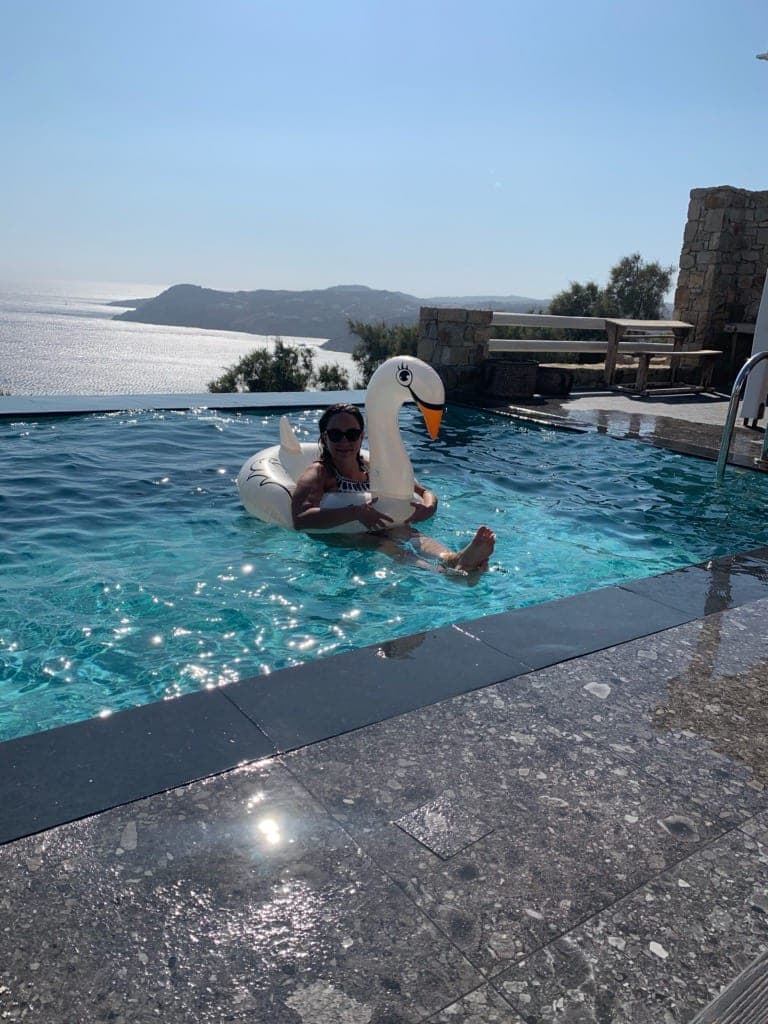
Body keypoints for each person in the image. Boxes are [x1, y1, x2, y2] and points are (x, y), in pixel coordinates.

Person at [291, 403, 495, 575]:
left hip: (384, 526)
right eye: (336, 435)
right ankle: (445, 574)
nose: (344, 441)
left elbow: (423, 492)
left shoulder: (373, 469)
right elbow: (300, 519)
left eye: (352, 434)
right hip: (344, 534)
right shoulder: (319, 473)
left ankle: (454, 559)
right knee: (387, 547)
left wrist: (428, 506)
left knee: (408, 533)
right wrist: (356, 512)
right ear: (325, 438)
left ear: (361, 437)